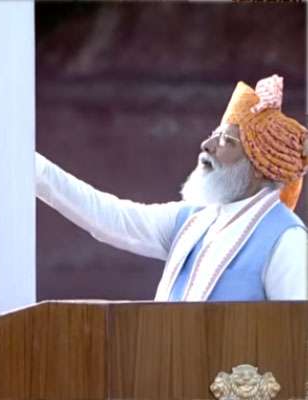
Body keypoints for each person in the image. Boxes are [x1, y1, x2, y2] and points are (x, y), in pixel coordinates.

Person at [35, 74, 307, 301]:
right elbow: (106, 217)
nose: (207, 145)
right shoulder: (192, 220)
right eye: (214, 134)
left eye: (226, 141)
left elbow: (297, 340)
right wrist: (30, 167)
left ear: (260, 166)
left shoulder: (286, 239)